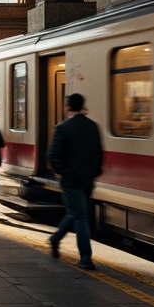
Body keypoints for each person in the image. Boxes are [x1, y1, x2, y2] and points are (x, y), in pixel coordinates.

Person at [47, 93, 104, 270]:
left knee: (78, 215)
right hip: (88, 180)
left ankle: (85, 258)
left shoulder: (63, 128)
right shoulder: (93, 126)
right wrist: (94, 172)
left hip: (71, 181)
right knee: (79, 214)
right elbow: (99, 153)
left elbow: (52, 155)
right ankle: (55, 239)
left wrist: (63, 172)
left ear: (68, 107)